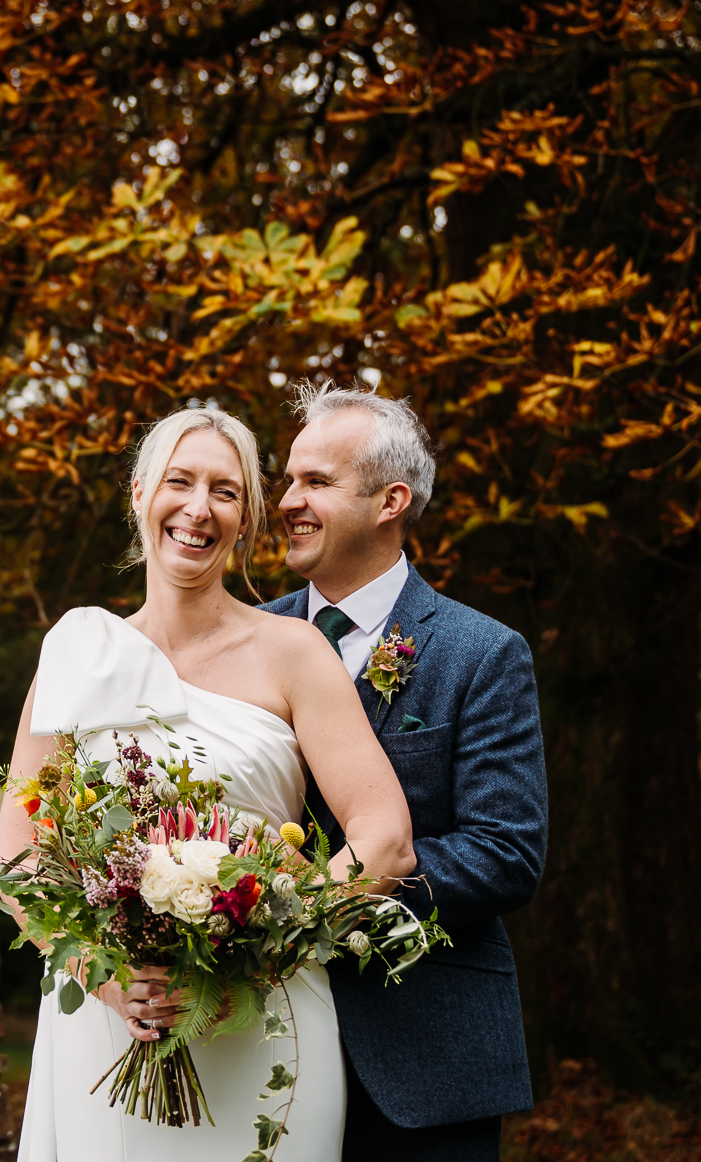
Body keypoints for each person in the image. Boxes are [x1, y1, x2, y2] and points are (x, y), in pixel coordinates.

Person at [1, 405, 417, 1162]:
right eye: (179, 481)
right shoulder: (76, 649)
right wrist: (102, 976)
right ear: (138, 492)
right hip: (107, 1018)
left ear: (247, 520)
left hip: (263, 1011)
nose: (198, 508)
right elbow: (18, 851)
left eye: (225, 492)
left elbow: (384, 838)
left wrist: (262, 945)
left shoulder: (292, 652)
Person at [260, 383, 547, 1162]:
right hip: (258, 1049)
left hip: (427, 1046)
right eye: (287, 479)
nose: (287, 500)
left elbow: (506, 850)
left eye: (315, 482)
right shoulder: (247, 642)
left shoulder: (480, 653)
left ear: (390, 501)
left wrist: (327, 897)